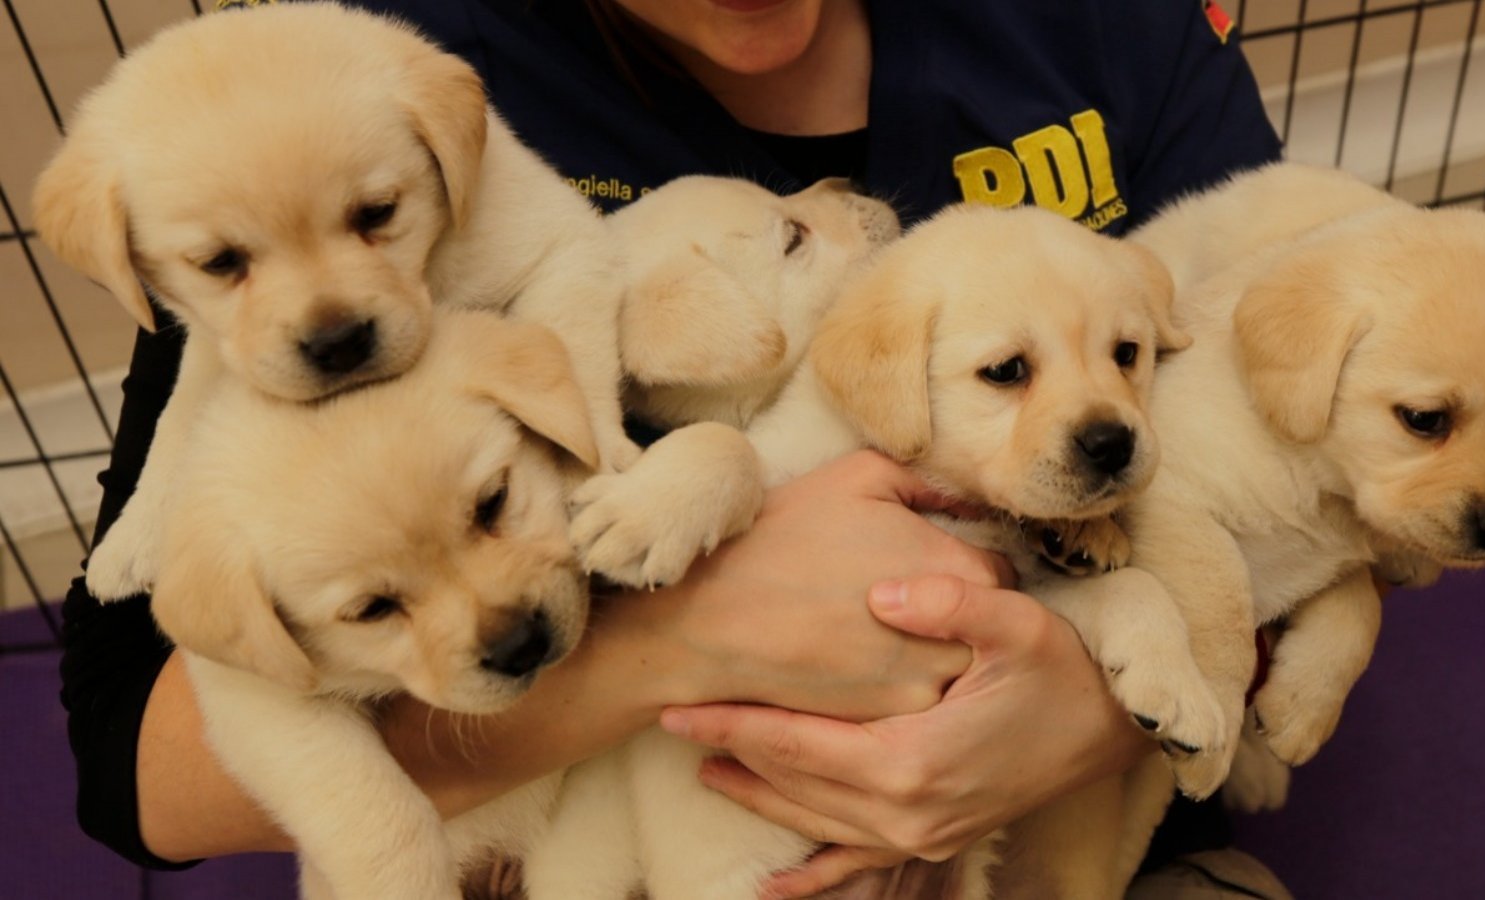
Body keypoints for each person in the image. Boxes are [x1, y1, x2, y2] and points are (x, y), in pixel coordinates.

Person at [57, 0, 1289, 896]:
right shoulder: (332, 111)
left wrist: (1087, 718)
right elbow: (134, 763)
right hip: (610, 818)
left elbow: (1330, 439)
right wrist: (673, 645)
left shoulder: (1117, 33)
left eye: (379, 221)